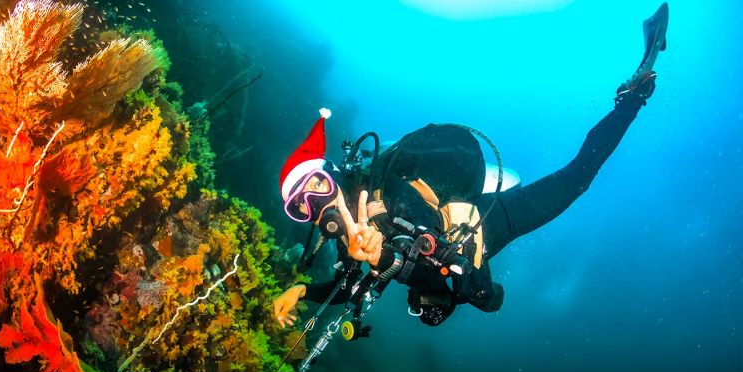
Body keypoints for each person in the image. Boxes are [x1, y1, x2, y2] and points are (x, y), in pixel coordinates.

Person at [273, 3, 668, 328]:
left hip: (480, 224)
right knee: (435, 308)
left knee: (576, 177)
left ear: (332, 174)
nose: (316, 207)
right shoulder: (347, 236)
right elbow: (348, 288)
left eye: (316, 187)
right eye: (300, 206)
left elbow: (468, 279)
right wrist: (303, 291)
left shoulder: (384, 189)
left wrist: (381, 258)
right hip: (450, 244)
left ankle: (633, 96)